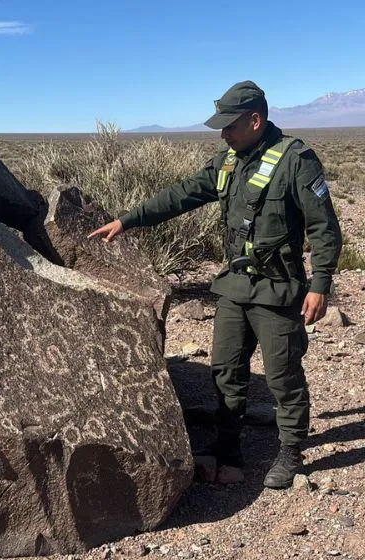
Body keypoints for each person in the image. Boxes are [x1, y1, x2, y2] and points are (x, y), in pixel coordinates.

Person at [88, 81, 342, 489]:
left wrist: (320, 284)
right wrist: (127, 220)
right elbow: (182, 195)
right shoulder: (228, 162)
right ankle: (228, 447)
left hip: (277, 292)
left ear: (255, 120)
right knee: (226, 371)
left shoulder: (296, 161)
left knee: (283, 377)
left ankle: (291, 451)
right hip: (233, 288)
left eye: (230, 126)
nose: (223, 134)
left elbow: (324, 227)